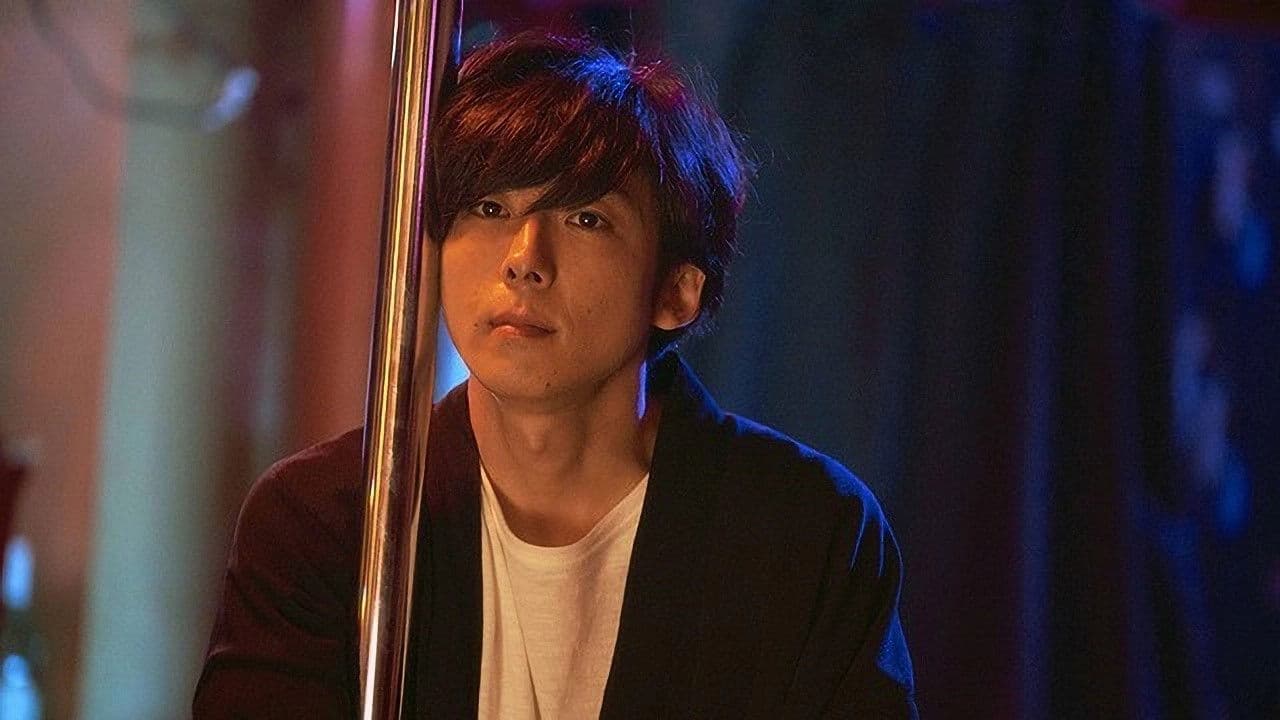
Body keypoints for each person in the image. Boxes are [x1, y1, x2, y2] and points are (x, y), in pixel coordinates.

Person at [193, 31, 916, 719]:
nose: (523, 259)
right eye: (488, 208)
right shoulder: (329, 519)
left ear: (676, 290)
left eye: (585, 219)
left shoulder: (804, 533)